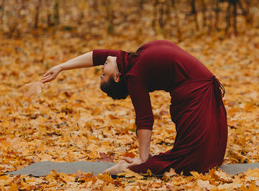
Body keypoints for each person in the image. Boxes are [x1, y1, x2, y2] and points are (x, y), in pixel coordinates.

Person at [42, 40, 227, 175]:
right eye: (102, 75)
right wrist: (142, 158)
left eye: (101, 73)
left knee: (202, 157)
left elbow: (96, 55)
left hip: (198, 92)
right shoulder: (134, 75)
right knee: (191, 161)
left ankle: (139, 166)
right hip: (194, 97)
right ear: (117, 77)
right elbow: (144, 118)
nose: (101, 68)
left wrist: (61, 67)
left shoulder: (130, 59)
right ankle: (127, 169)